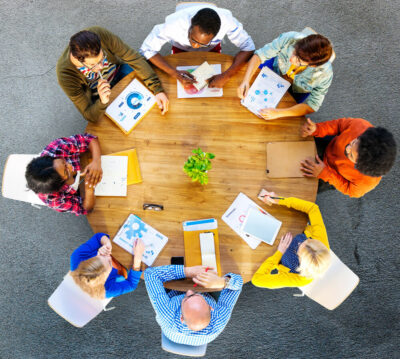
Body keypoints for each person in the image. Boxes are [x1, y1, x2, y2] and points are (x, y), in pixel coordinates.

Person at [57, 26, 169, 123]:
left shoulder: (99, 34)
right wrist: (102, 101)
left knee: (151, 96)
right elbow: (89, 115)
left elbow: (133, 57)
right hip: (99, 97)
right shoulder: (65, 75)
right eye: (93, 65)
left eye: (102, 58)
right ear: (78, 60)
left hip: (120, 72)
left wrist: (157, 89)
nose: (101, 67)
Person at [140, 6, 255, 88]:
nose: (195, 46)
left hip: (211, 50)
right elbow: (146, 49)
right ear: (190, 23)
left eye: (202, 43)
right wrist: (174, 73)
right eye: (192, 39)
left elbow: (248, 47)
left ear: (218, 33)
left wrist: (227, 75)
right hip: (180, 49)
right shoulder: (173, 24)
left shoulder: (228, 22)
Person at [238, 31, 333, 120]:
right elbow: (260, 55)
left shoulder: (325, 75)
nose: (291, 59)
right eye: (294, 52)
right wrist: (245, 80)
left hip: (295, 90)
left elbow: (312, 105)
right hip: (275, 68)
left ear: (312, 65)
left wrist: (278, 113)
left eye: (299, 60)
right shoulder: (290, 38)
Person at [144, 265, 243, 345]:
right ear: (210, 307)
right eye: (196, 295)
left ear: (181, 317)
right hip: (193, 337)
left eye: (186, 298)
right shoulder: (219, 319)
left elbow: (151, 274)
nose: (190, 290)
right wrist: (223, 282)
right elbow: (238, 284)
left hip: (171, 328)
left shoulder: (167, 313)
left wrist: (187, 271)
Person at [300, 117, 397, 198]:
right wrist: (317, 129)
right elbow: (339, 125)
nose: (347, 149)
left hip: (333, 175)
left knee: (303, 188)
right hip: (329, 144)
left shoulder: (367, 182)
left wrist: (325, 173)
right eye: (354, 142)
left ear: (359, 167)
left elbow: (349, 189)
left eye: (350, 155)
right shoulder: (360, 125)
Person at [252, 190, 331, 288]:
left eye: (299, 248)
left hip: (275, 253)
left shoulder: (300, 279)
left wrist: (279, 253)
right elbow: (313, 208)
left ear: (301, 262)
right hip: (292, 229)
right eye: (307, 240)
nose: (299, 243)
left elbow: (257, 280)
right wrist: (279, 200)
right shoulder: (320, 240)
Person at [25, 133, 101, 215]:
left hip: (84, 163)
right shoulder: (55, 200)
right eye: (66, 171)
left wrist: (96, 161)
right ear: (60, 184)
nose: (70, 166)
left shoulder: (57, 148)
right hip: (80, 191)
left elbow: (89, 139)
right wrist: (89, 190)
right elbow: (85, 209)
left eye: (63, 162)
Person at [70, 233, 145, 299]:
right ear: (105, 277)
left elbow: (98, 236)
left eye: (99, 256)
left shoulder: (77, 256)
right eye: (109, 262)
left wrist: (106, 243)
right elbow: (131, 284)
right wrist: (138, 257)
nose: (109, 256)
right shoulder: (107, 291)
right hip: (120, 271)